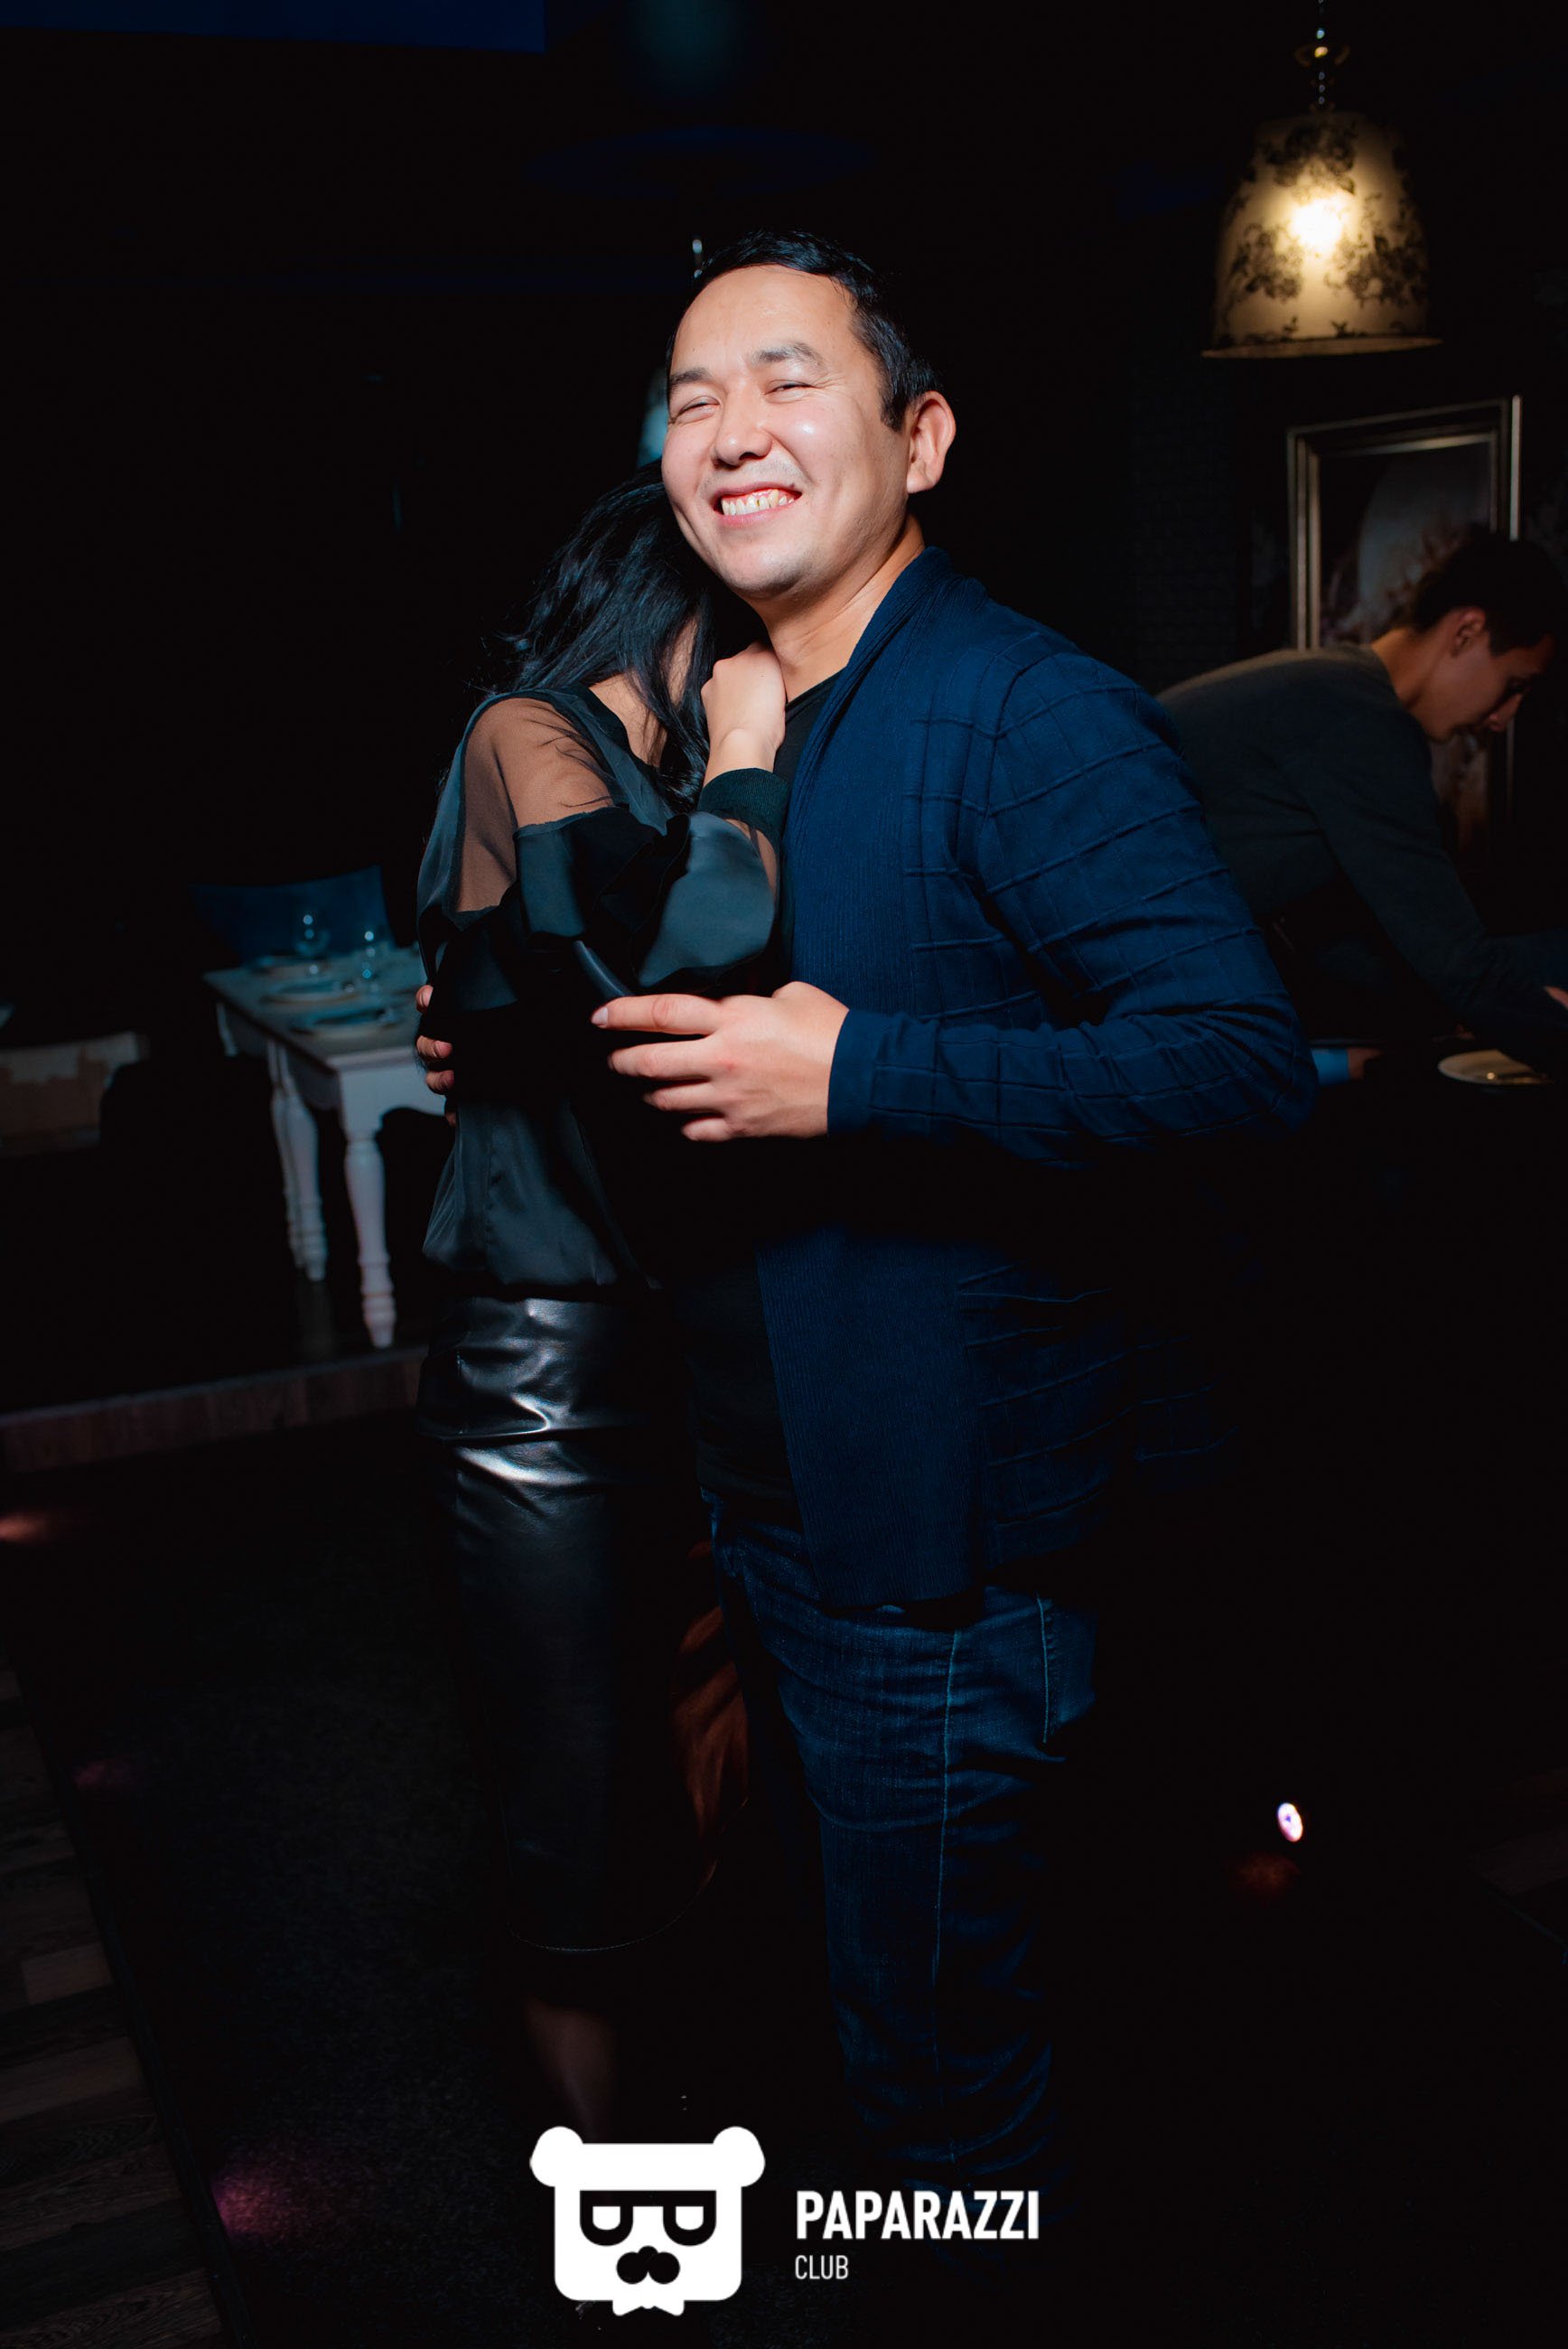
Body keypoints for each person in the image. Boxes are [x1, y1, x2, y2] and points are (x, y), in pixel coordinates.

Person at [562, 229, 1319, 2309]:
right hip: (783, 1502)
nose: (729, 431)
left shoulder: (1025, 713)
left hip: (942, 1552)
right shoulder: (752, 711)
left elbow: (1239, 1066)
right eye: (691, 400)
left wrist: (862, 1073)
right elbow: (715, 1051)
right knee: (864, 2007)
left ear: (922, 438)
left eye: (786, 381)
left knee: (941, 2077)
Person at [413, 464, 794, 2149]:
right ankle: (597, 2221)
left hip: (708, 1348)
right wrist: (751, 754)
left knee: (712, 1768)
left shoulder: (675, 794)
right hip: (549, 1381)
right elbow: (664, 980)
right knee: (572, 1801)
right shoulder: (529, 733)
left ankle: (697, 2112)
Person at [1160, 531, 1568, 1076]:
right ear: (1467, 631)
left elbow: (1351, 945)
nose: (1503, 717)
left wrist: (1518, 1000)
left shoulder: (1331, 685)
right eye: (1513, 684)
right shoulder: (1361, 720)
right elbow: (1457, 965)